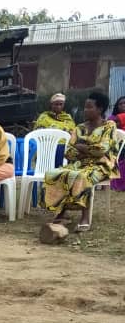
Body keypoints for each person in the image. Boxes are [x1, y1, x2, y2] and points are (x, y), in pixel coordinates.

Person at [44, 90, 119, 232]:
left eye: (89, 107)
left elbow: (101, 150)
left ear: (100, 109)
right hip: (79, 164)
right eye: (85, 107)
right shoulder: (79, 128)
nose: (85, 110)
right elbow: (69, 153)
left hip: (102, 165)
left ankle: (84, 217)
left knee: (83, 176)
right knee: (54, 173)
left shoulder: (109, 126)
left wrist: (81, 147)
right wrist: (87, 149)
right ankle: (62, 213)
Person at [108, 96, 125, 191]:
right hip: (117, 146)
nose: (123, 105)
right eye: (120, 104)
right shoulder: (112, 118)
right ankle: (119, 185)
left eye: (124, 103)